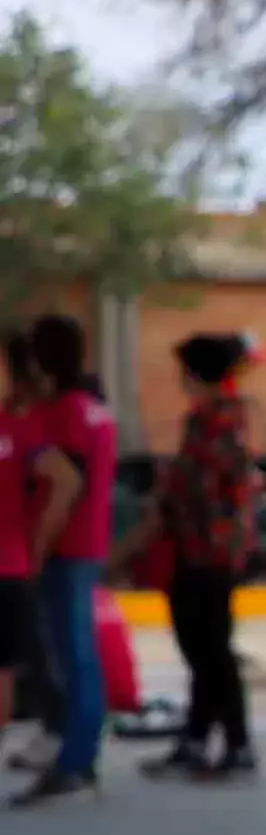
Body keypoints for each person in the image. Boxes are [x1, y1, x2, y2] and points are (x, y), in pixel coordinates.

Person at [114, 333, 261, 781]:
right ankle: (197, 739)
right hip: (199, 548)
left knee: (212, 650)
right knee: (200, 649)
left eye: (186, 374)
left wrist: (161, 500)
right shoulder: (211, 420)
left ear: (199, 377)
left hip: (209, 551)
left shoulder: (219, 425)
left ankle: (237, 744)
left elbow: (200, 487)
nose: (182, 382)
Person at [11, 315, 112, 808]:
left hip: (65, 549)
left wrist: (36, 551)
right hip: (86, 545)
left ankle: (76, 764)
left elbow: (63, 489)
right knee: (79, 655)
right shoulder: (94, 409)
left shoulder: (62, 414)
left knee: (73, 657)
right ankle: (77, 757)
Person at [1, 330, 65, 771]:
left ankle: (59, 729)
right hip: (13, 562)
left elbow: (65, 480)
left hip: (9, 564)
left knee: (20, 658)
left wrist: (38, 543)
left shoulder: (19, 429)